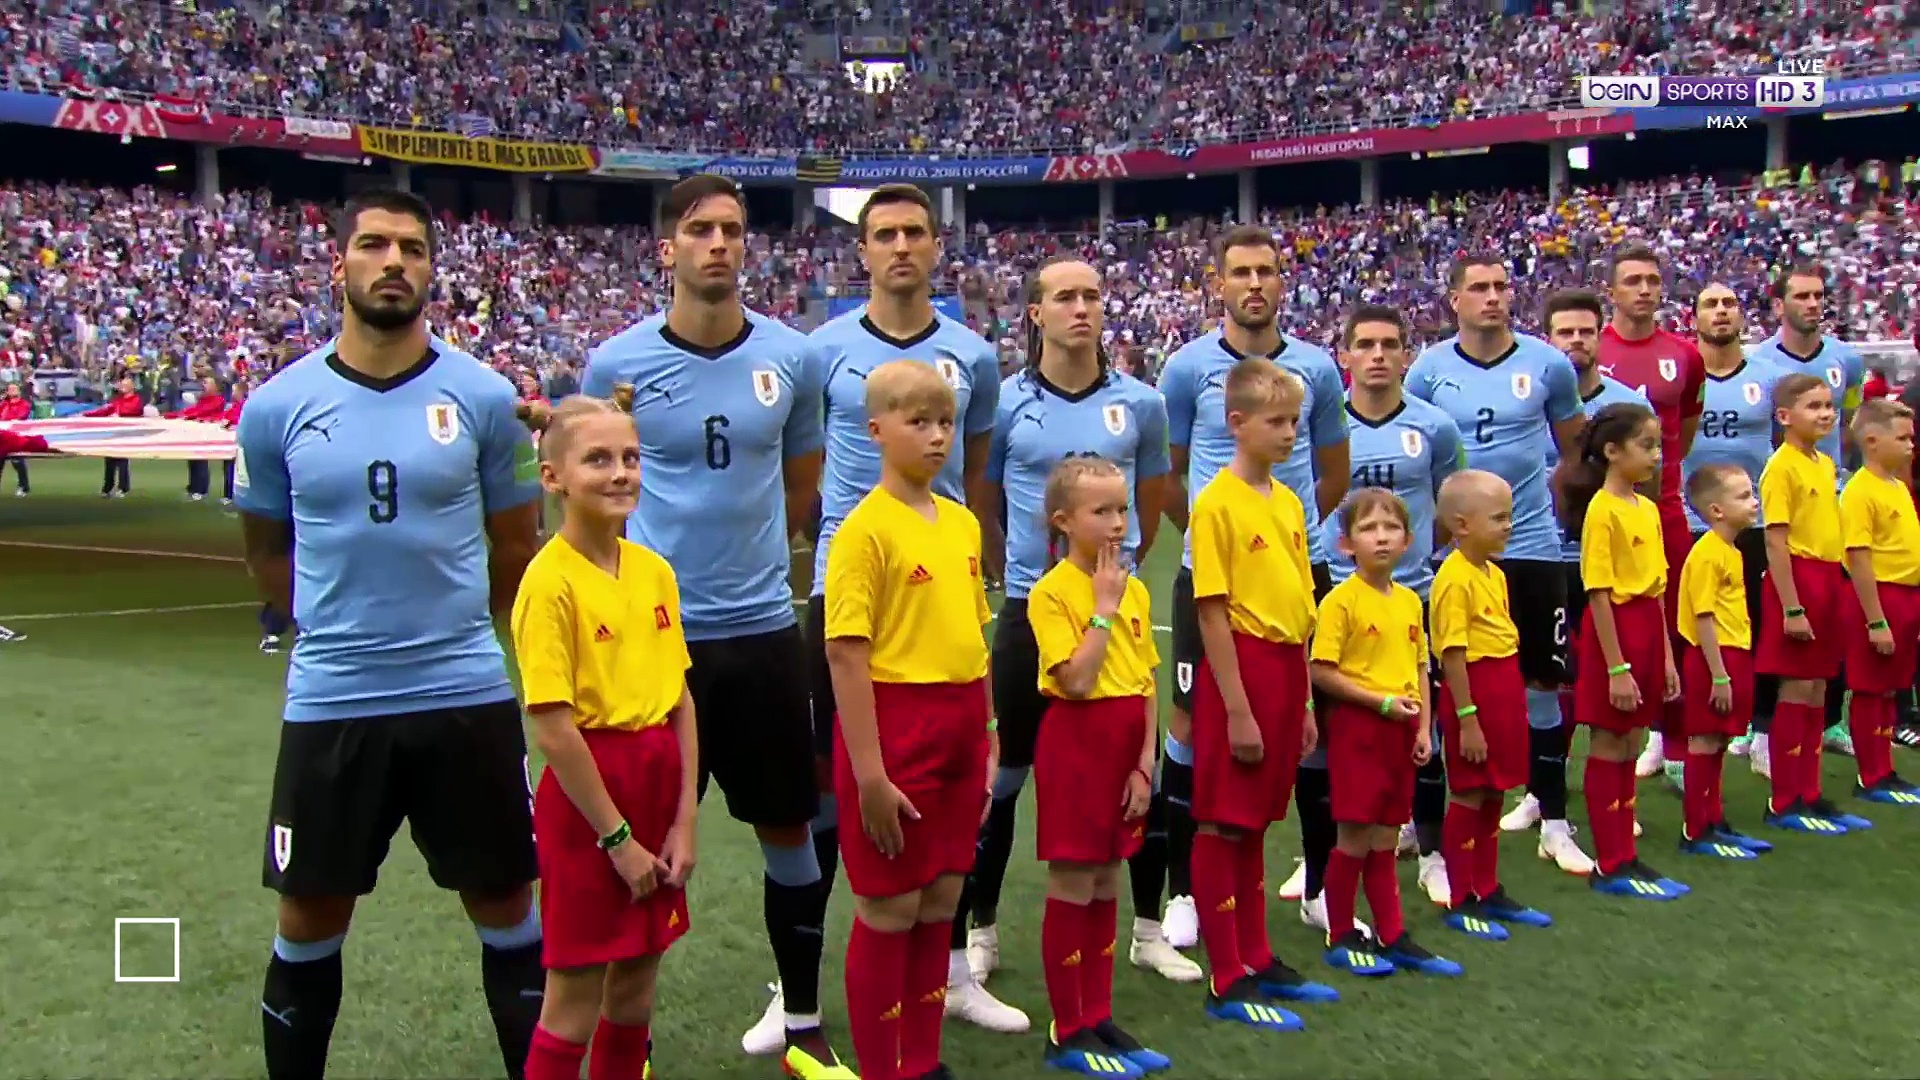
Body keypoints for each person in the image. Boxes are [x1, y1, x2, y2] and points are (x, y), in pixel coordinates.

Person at [233, 188, 547, 1080]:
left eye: (412, 247)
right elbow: (267, 552)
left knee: (506, 906)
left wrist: (441, 632)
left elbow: (515, 548)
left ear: (432, 271)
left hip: (464, 695)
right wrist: (342, 634)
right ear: (342, 265)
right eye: (374, 245)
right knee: (307, 916)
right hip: (334, 700)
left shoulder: (483, 396)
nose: (394, 262)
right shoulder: (275, 405)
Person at [579, 174, 849, 1080]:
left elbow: (801, 480)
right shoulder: (617, 364)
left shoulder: (793, 358)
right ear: (668, 248)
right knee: (646, 846)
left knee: (793, 830)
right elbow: (597, 494)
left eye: (733, 230)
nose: (720, 244)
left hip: (766, 631)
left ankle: (804, 1026)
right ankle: (632, 1045)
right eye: (700, 230)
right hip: (656, 642)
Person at [799, 188, 1019, 1038]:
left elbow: (977, 470)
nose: (898, 247)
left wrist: (987, 719)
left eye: (913, 232)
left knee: (937, 888)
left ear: (936, 244)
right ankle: (807, 996)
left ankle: (930, 1026)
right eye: (882, 233)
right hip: (877, 652)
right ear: (862, 250)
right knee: (864, 856)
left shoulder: (974, 361)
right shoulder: (825, 353)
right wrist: (871, 764)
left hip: (952, 688)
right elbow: (802, 458)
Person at [968, 253, 1190, 1015]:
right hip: (1035, 609)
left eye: (1093, 293)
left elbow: (1152, 503)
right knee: (1007, 778)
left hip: (1111, 610)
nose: (1082, 308)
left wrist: (1114, 578)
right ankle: (984, 926)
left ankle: (1150, 926)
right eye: (1065, 296)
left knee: (1139, 768)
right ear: (1034, 312)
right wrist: (1023, 575)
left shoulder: (1142, 403)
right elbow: (984, 496)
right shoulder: (1003, 402)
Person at [1160, 225, 1348, 939]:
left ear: (1283, 280)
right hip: (1211, 575)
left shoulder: (1316, 368)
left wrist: (1280, 541)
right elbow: (1171, 470)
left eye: (1267, 271)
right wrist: (1217, 542)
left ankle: (1317, 878)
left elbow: (1333, 465)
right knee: (1189, 725)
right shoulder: (1185, 369)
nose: (1255, 284)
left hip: (1293, 563)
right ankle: (1185, 891)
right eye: (1240, 272)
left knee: (1308, 724)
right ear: (1218, 283)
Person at [512, 393, 700, 1080]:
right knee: (575, 996)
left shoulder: (654, 571)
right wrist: (618, 840)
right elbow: (554, 728)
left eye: (630, 458)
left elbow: (679, 699)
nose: (620, 473)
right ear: (554, 477)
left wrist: (685, 822)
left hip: (657, 781)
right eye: (597, 460)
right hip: (592, 801)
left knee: (636, 985)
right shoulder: (549, 584)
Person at [822, 359, 995, 1080]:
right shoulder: (864, 532)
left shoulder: (959, 523)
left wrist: (985, 737)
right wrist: (869, 774)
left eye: (945, 423)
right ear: (876, 430)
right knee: (891, 908)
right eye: (918, 422)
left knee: (941, 898)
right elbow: (844, 654)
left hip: (958, 724)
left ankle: (921, 1061)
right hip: (897, 727)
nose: (936, 437)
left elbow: (974, 637)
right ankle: (881, 1068)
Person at [1405, 258, 1585, 873]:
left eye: (1500, 286)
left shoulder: (1547, 364)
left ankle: (1553, 816)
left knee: (1540, 682)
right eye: (1478, 288)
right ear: (1453, 298)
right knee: (1446, 681)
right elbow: (1420, 453)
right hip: (1453, 555)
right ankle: (1427, 827)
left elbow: (1574, 451)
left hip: (1531, 546)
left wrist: (1546, 511)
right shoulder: (1429, 369)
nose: (1492, 297)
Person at [1188, 358, 1339, 1031]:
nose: (1288, 434)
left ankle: (1256, 954)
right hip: (1241, 671)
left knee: (1256, 822)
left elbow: (1300, 602)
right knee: (1224, 818)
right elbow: (1213, 611)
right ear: (1237, 424)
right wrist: (1240, 707)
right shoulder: (1217, 503)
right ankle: (1226, 974)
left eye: (1294, 423)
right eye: (1275, 423)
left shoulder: (1286, 500)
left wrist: (1302, 699)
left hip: (1283, 668)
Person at [1028, 456, 1171, 1078]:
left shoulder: (1135, 587)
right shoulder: (1053, 592)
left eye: (1122, 509)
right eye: (1101, 511)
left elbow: (1144, 682)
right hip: (1077, 744)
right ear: (1064, 521)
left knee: (1109, 879)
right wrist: (1104, 609)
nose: (1118, 523)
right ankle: (1068, 1028)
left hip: (1123, 747)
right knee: (1075, 881)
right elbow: (1080, 679)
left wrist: (1145, 763)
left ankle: (1099, 1014)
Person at [1498, 289, 1639, 873]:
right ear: (1547, 339)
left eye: (1586, 331)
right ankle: (1536, 794)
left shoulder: (1626, 408)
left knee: (1586, 676)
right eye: (1565, 332)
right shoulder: (1531, 396)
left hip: (1595, 559)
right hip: (1540, 555)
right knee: (1538, 681)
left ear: (1600, 336)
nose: (1575, 341)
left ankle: (1601, 794)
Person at [1326, 304, 1461, 906]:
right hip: (1339, 591)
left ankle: (1429, 848)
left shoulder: (1435, 427)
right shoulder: (1325, 429)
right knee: (1341, 733)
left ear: (1408, 354)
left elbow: (1446, 502)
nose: (1378, 355)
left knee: (1418, 721)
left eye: (1390, 344)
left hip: (1416, 594)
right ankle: (1325, 855)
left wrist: (1415, 561)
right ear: (1345, 356)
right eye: (1365, 345)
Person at [1312, 489, 1462, 979]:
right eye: (1369, 529)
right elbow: (1321, 671)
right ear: (1346, 544)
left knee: (1384, 836)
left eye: (1390, 528)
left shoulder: (1407, 602)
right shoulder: (1340, 602)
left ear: (1409, 540)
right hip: (1361, 730)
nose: (1381, 538)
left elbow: (1420, 666)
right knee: (1355, 835)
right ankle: (1340, 932)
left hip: (1401, 731)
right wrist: (1380, 702)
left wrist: (1423, 727)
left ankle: (1391, 933)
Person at [1556, 402, 1688, 900]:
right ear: (1612, 452)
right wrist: (1616, 666)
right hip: (1616, 634)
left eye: (1659, 444)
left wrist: (1668, 658)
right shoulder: (1602, 511)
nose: (1656, 454)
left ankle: (1626, 854)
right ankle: (1609, 860)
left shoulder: (1647, 509)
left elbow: (1655, 591)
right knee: (1610, 742)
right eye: (1647, 445)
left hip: (1648, 632)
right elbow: (1600, 593)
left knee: (1632, 742)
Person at [1596, 246, 1706, 783]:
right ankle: (1611, 734)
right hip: (1604, 511)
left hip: (1663, 509)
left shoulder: (1684, 354)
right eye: (1633, 280)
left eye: (1653, 280)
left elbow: (1680, 431)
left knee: (1672, 621)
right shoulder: (1591, 349)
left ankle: (1673, 740)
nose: (1644, 289)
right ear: (1612, 291)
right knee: (1605, 622)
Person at [1431, 470, 1555, 934]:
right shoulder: (1453, 579)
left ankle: (1487, 886)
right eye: (1499, 518)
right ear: (1462, 525)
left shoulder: (1495, 574)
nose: (1509, 525)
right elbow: (1453, 654)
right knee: (1470, 791)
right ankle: (1460, 894)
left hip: (1503, 689)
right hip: (1475, 697)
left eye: (1510, 516)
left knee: (1495, 789)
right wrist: (1467, 720)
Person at [1751, 264, 1867, 757]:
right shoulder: (1758, 362)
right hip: (1785, 511)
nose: (1813, 303)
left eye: (1819, 295)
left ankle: (1828, 730)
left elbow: (1852, 424)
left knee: (1826, 650)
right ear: (1780, 305)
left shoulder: (1848, 360)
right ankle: (1763, 733)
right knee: (1783, 642)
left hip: (1830, 502)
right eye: (1801, 295)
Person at [1755, 374, 1873, 835]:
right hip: (1799, 579)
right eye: (1814, 406)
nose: (1826, 413)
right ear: (1785, 416)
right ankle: (1784, 798)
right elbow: (1776, 542)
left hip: (1827, 577)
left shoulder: (1823, 463)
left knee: (1820, 689)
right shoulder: (1780, 467)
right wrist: (1791, 607)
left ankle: (1809, 790)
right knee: (1796, 688)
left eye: (1829, 405)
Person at [1682, 285, 1783, 776]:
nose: (1721, 312)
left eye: (1729, 304)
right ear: (1694, 316)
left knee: (1759, 628)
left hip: (1753, 524)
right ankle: (1670, 734)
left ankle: (1759, 730)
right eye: (1710, 304)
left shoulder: (1767, 376)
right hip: (1689, 520)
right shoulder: (1682, 370)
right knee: (1687, 627)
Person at [1673, 463, 1774, 857]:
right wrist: (1718, 675)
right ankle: (1696, 829)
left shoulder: (1730, 551)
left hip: (1733, 655)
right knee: (1704, 739)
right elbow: (1703, 617)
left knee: (1719, 739)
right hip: (1712, 660)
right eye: (1744, 496)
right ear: (1716, 510)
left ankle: (1714, 820)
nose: (1754, 503)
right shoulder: (1707, 554)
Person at [1838, 399, 1920, 804]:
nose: (1911, 446)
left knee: (1891, 688)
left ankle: (1885, 767)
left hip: (1906, 595)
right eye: (1903, 438)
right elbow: (1858, 556)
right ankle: (1870, 775)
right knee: (1871, 688)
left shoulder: (1897, 486)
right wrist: (1875, 619)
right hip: (1879, 597)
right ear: (1872, 441)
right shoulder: (1859, 492)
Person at [168, 376, 228, 501]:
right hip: (196, 434)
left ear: (215, 386)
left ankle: (201, 489)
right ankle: (193, 487)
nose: (203, 385)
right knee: (193, 459)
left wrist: (186, 415)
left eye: (206, 383)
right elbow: (193, 410)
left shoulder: (218, 400)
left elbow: (202, 412)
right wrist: (173, 415)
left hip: (207, 435)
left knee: (201, 460)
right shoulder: (203, 400)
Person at [86, 375, 144, 496]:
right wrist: (86, 415)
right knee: (109, 460)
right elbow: (105, 410)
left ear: (132, 386)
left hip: (126, 434)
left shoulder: (136, 400)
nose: (122, 386)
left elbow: (132, 411)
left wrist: (118, 414)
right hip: (114, 433)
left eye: (125, 384)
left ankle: (123, 488)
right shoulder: (118, 400)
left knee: (122, 460)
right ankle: (107, 488)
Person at [1, 381, 32, 495]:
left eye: (14, 389)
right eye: (10, 389)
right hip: (3, 438)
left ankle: (24, 487)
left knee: (18, 462)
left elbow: (20, 417)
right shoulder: (4, 404)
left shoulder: (24, 404)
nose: (12, 391)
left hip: (16, 438)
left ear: (19, 391)